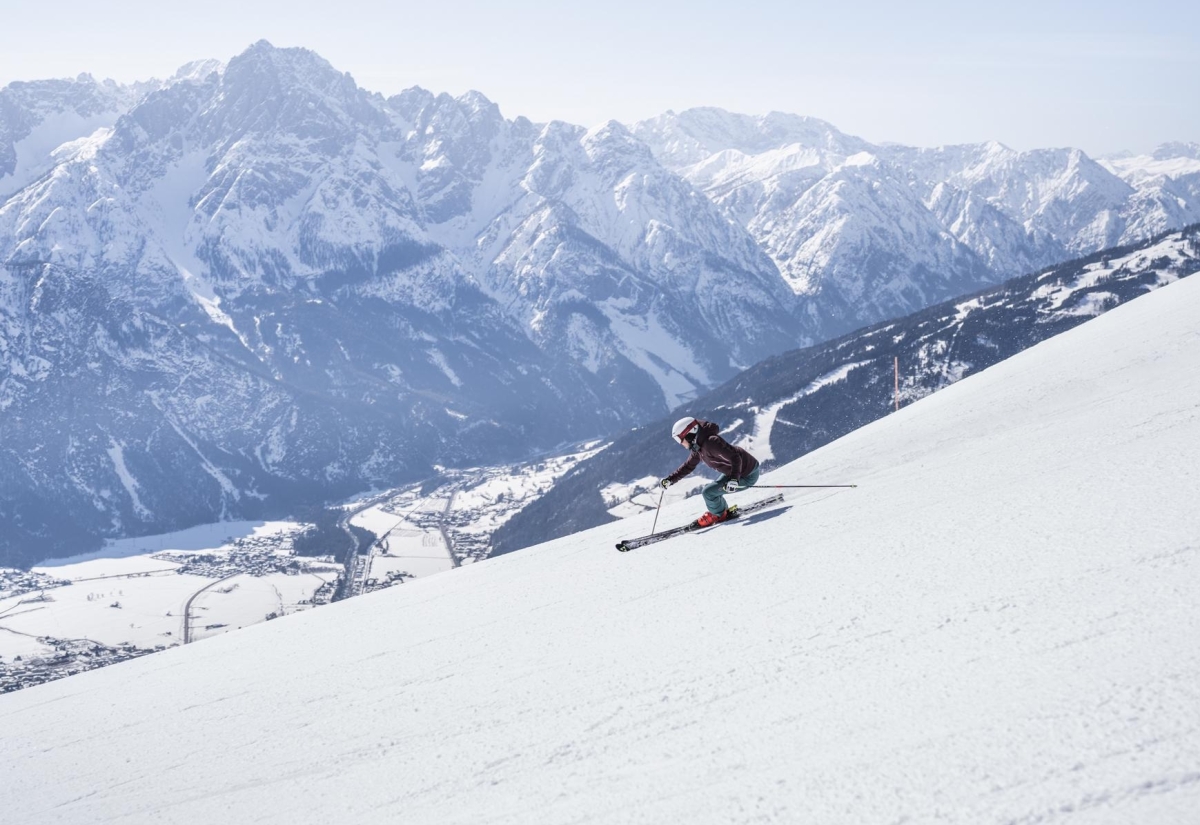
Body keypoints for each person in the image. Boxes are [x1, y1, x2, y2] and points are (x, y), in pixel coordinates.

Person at [660, 417, 760, 527]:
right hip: (736, 472)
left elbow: (735, 457)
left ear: (690, 434)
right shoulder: (698, 447)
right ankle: (721, 512)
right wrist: (670, 480)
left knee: (708, 492)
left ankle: (719, 515)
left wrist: (734, 480)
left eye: (680, 439)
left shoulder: (711, 442)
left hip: (747, 474)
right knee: (711, 491)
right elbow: (688, 466)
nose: (681, 443)